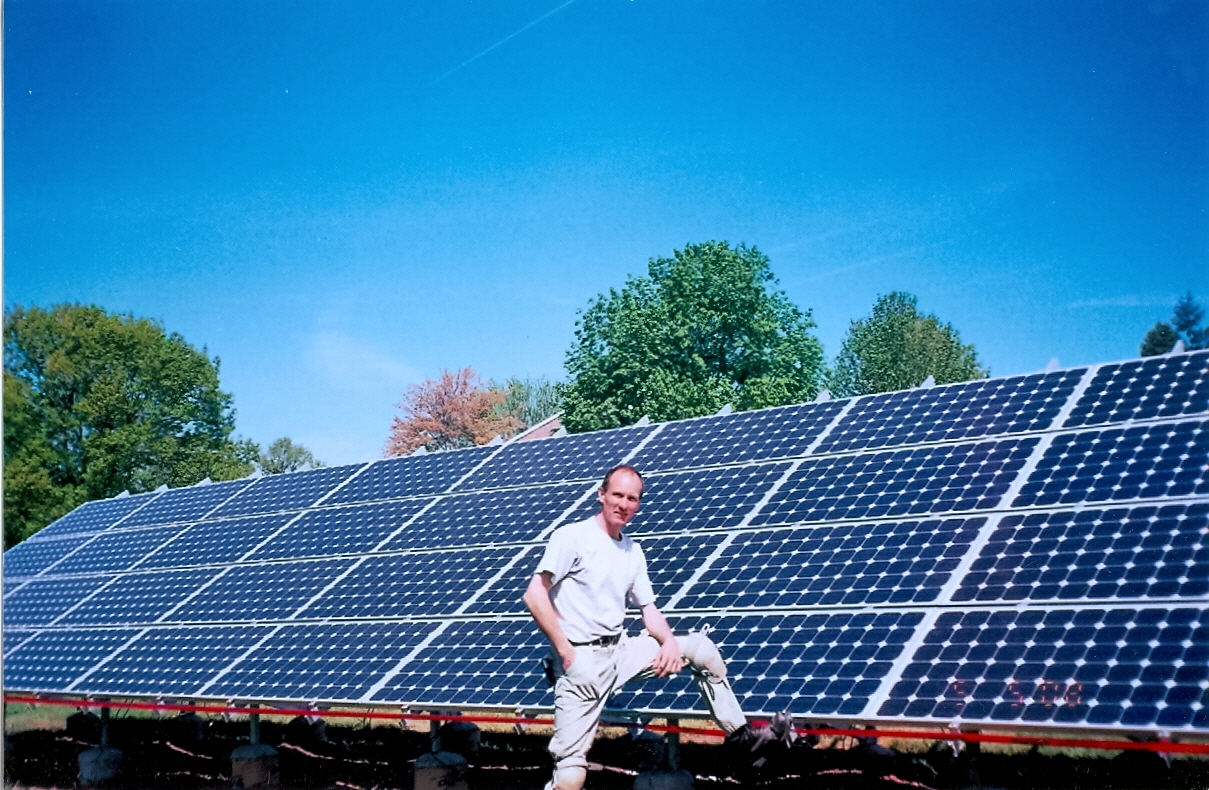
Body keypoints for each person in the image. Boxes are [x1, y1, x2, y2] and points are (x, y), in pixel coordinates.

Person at [522, 463, 755, 790]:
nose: (623, 504)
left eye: (632, 498)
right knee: (571, 776)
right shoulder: (572, 537)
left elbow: (649, 609)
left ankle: (743, 740)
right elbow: (534, 595)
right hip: (581, 662)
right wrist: (566, 651)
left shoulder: (632, 550)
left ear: (638, 504)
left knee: (700, 649)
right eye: (617, 495)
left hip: (620, 652)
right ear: (601, 494)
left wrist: (669, 642)